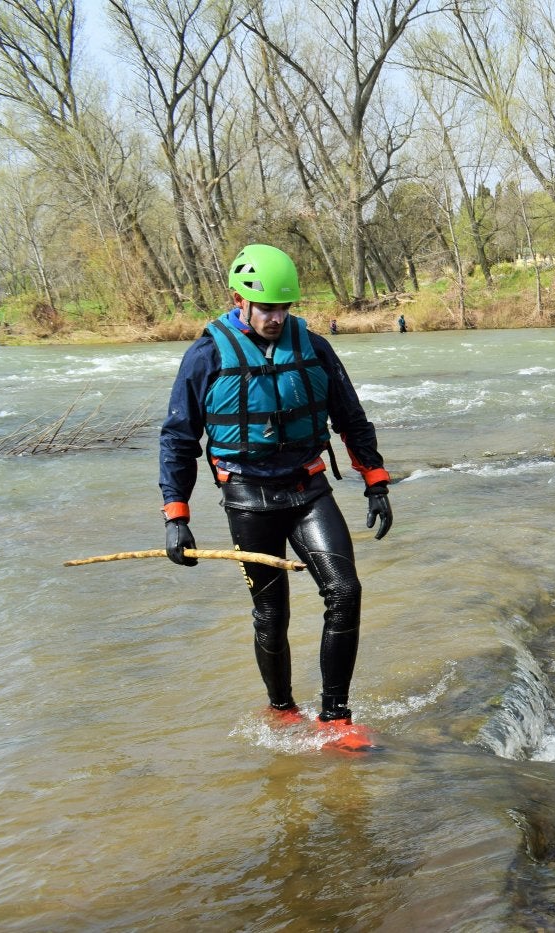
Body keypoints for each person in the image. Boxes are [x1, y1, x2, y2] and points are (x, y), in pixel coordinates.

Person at [158, 243, 394, 742]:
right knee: (272, 612)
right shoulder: (205, 355)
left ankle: (335, 720)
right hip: (247, 498)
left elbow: (350, 417)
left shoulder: (314, 347)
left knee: (345, 592)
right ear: (237, 299)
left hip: (308, 487)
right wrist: (176, 514)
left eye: (283, 308)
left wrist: (374, 480)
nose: (274, 318)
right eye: (266, 307)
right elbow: (179, 438)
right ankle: (283, 709)